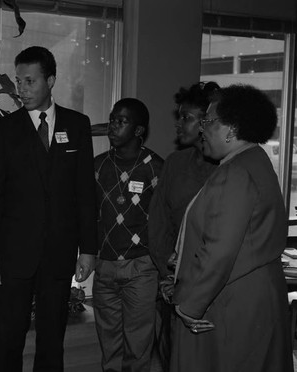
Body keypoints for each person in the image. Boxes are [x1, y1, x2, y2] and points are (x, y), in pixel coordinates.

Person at [0, 45, 98, 372]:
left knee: (51, 340)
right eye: (19, 81)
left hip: (59, 253)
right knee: (9, 339)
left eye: (30, 81)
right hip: (14, 254)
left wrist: (88, 248)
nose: (22, 89)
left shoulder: (77, 125)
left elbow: (85, 192)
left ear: (51, 80)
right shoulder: (3, 130)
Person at [171, 84, 294, 372]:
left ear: (231, 128)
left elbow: (220, 250)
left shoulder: (235, 172)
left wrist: (190, 305)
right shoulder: (254, 160)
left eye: (208, 122)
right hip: (253, 293)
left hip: (234, 302)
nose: (202, 130)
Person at [148, 81, 219, 371]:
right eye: (179, 116)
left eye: (186, 118)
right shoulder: (175, 163)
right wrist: (169, 274)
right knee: (171, 358)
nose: (179, 124)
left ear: (207, 123)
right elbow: (159, 224)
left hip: (212, 288)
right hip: (171, 285)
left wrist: (192, 280)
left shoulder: (229, 168)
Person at [93, 98, 163, 372]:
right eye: (112, 119)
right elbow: (87, 216)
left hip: (141, 267)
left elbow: (165, 221)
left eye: (121, 122)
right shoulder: (97, 166)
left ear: (138, 130)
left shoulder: (156, 167)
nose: (112, 126)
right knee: (109, 346)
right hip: (105, 265)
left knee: (138, 347)